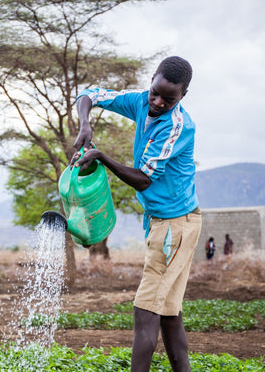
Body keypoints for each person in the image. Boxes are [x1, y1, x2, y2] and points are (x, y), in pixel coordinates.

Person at [72, 56, 201, 372]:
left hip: (175, 226)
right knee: (169, 313)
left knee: (146, 313)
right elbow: (89, 94)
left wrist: (101, 157)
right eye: (154, 92)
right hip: (165, 223)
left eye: (168, 99)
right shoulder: (141, 103)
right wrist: (85, 123)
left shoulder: (177, 127)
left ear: (182, 96)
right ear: (153, 78)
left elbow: (144, 179)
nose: (157, 102)